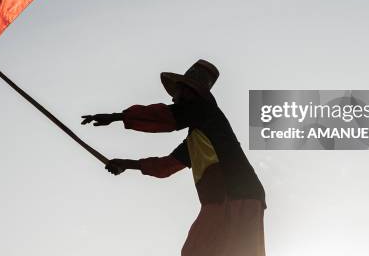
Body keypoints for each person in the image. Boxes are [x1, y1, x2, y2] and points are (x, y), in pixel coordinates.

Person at [81, 59, 266, 256]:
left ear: (190, 92)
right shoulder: (200, 136)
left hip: (240, 195)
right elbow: (165, 166)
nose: (173, 99)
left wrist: (116, 117)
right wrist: (125, 164)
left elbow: (164, 117)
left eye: (177, 93)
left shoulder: (205, 111)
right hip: (221, 198)